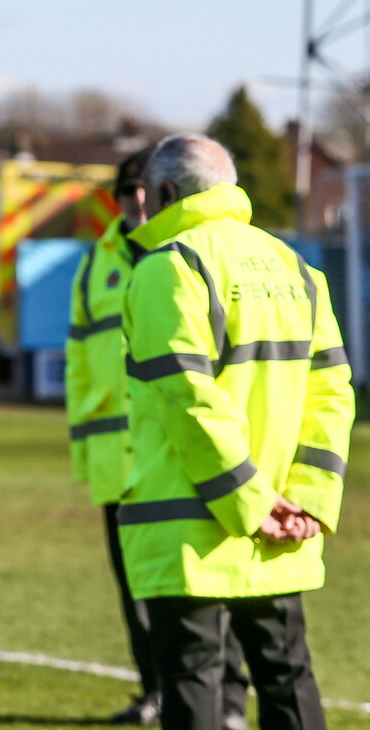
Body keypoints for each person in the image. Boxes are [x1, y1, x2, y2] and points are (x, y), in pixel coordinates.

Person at [119, 133, 354, 730]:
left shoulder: (169, 266)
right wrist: (308, 499)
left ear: (166, 192)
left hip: (195, 523)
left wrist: (249, 502)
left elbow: (186, 396)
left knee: (194, 682)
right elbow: (331, 393)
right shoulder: (298, 268)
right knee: (288, 677)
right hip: (286, 519)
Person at [65, 147, 249, 727]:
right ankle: (154, 692)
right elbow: (79, 358)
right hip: (117, 462)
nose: (136, 203)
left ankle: (230, 701)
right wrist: (84, 450)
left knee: (216, 586)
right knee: (137, 592)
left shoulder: (186, 256)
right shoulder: (98, 261)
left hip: (180, 455)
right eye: (125, 194)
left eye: (142, 191)